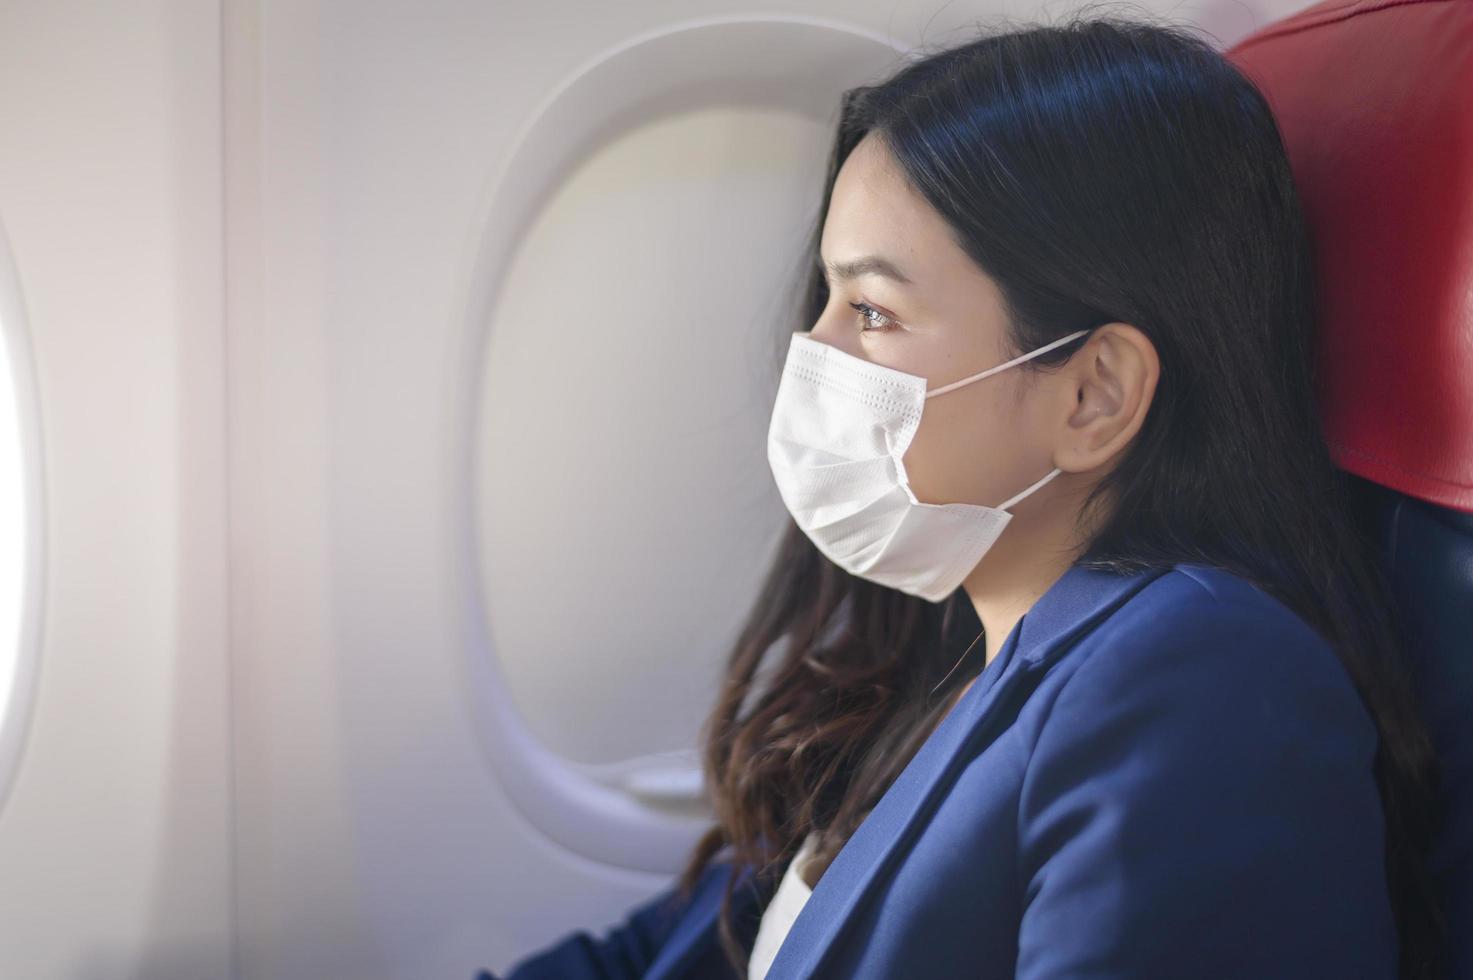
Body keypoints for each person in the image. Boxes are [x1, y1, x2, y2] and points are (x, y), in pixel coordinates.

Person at [486, 11, 1445, 979]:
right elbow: (661, 954)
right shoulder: (937, 650)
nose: (811, 352)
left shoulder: (1204, 679)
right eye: (827, 297)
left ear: (1092, 394)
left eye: (872, 311)